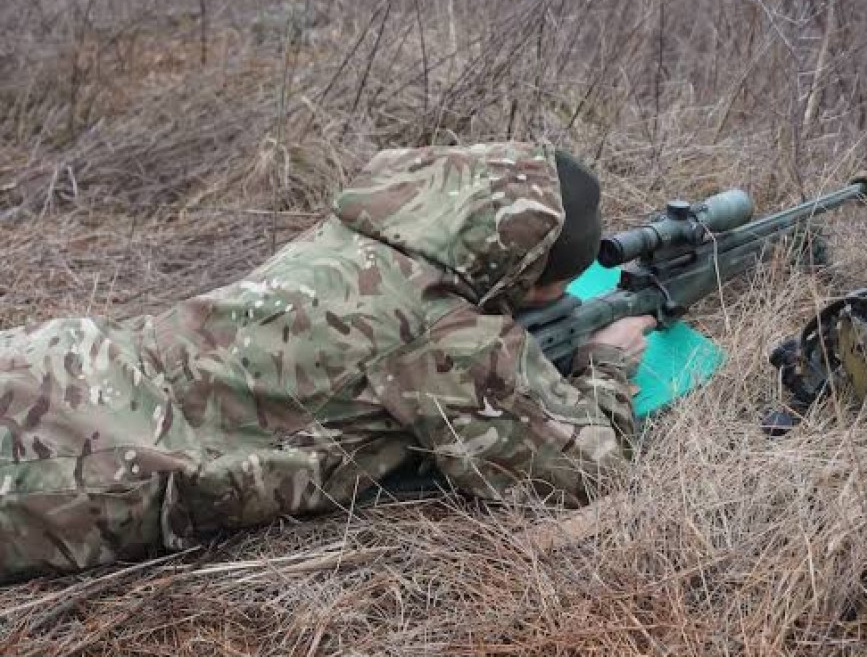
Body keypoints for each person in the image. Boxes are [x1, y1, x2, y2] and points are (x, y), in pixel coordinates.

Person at [0, 141, 656, 582]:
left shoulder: (358, 232)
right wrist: (605, 362)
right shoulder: (442, 335)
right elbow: (585, 474)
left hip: (62, 358)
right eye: (554, 282)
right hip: (82, 464)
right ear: (522, 270)